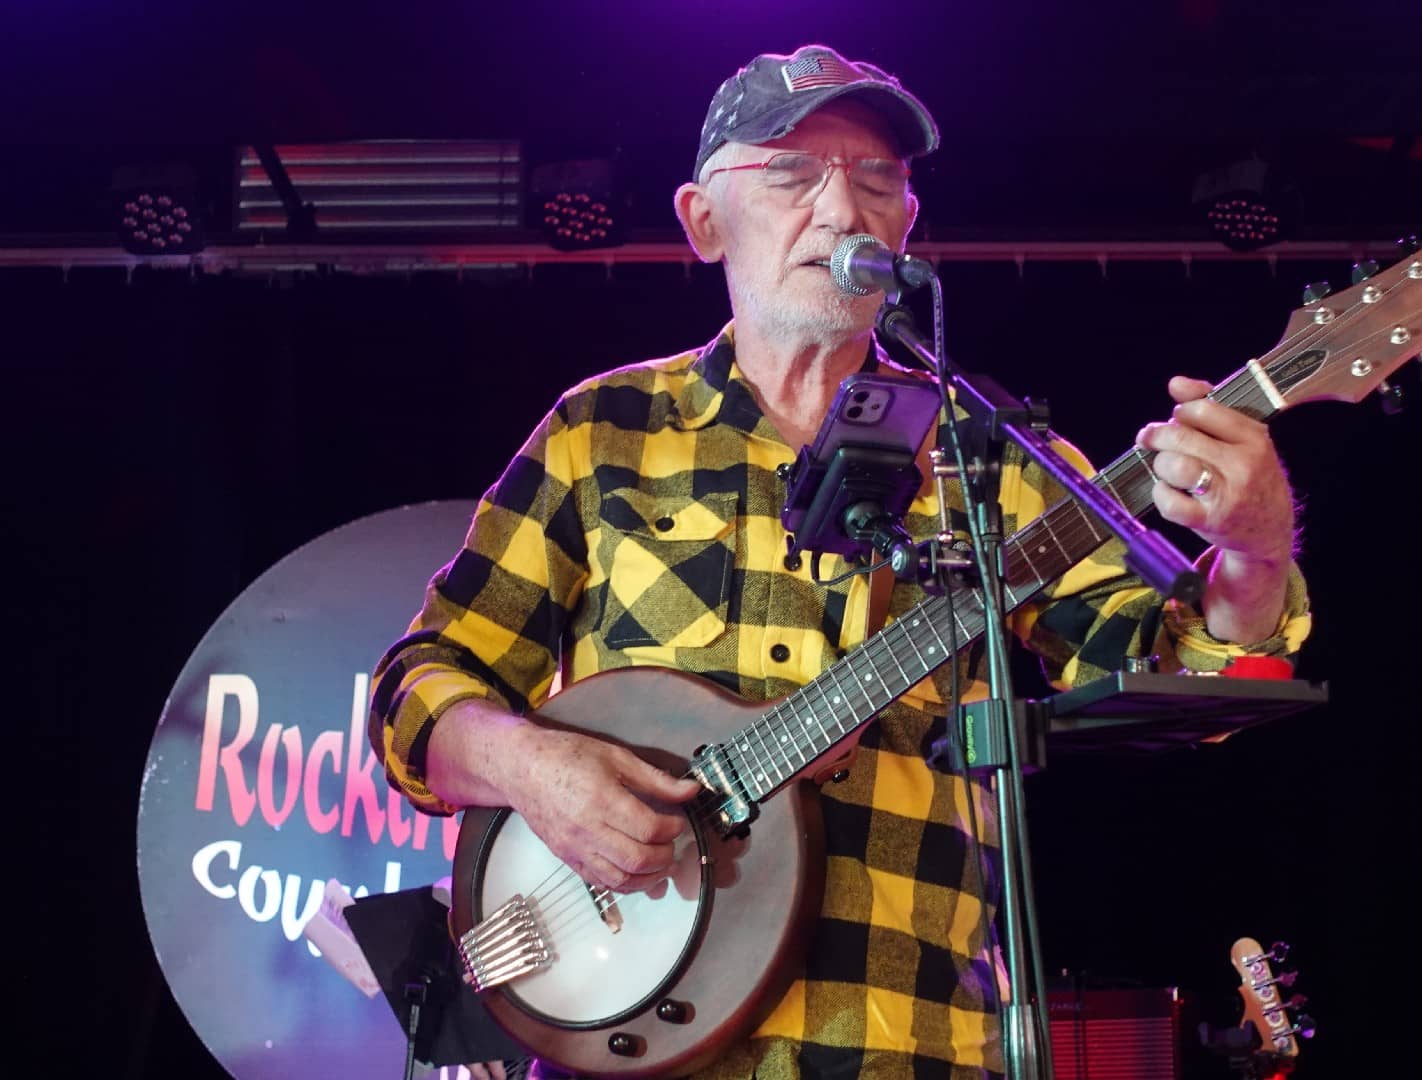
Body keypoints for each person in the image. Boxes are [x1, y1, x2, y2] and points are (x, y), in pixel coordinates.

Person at [368, 44, 1310, 1080]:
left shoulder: (989, 449)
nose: (841, 209)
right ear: (701, 219)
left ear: (907, 226)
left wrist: (1254, 551)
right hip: (631, 1046)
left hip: (912, 1043)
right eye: (790, 174)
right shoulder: (604, 431)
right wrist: (538, 770)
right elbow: (417, 693)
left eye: (877, 180)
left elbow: (1178, 681)